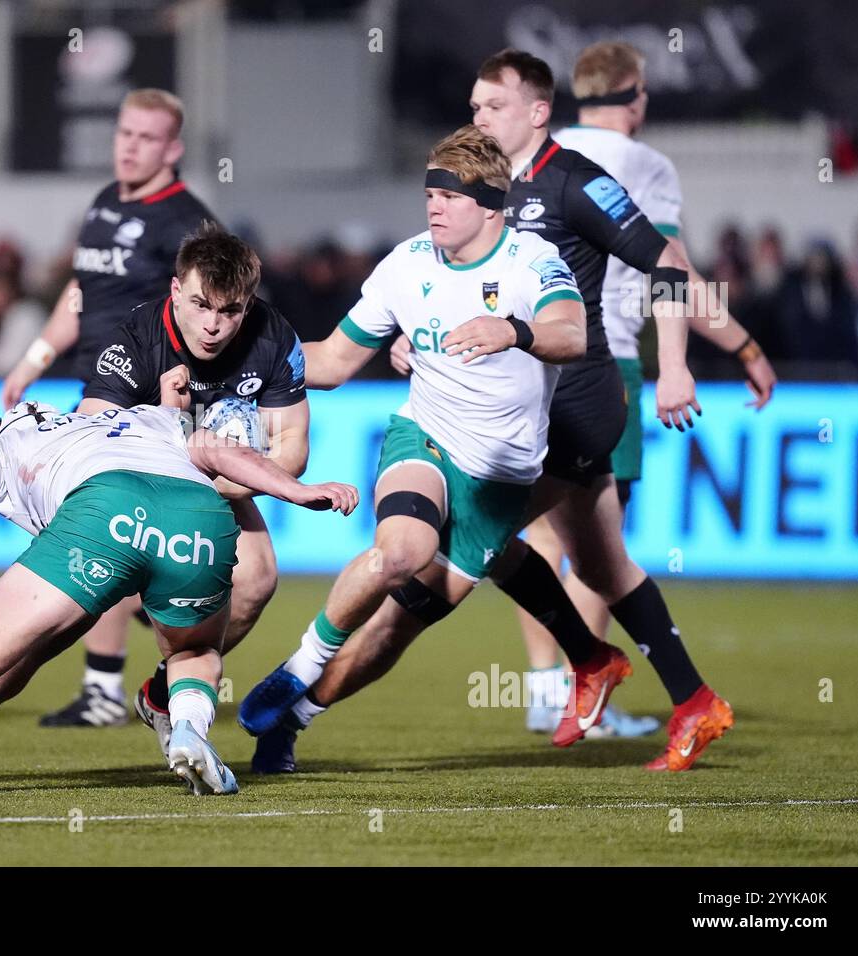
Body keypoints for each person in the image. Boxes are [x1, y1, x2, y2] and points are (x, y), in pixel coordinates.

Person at [244, 50, 734, 774]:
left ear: (537, 110)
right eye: (473, 106)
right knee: (566, 563)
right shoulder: (422, 248)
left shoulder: (565, 195)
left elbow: (658, 266)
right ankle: (641, 680)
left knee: (430, 596)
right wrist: (250, 364)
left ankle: (597, 663)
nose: (477, 116)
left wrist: (682, 362)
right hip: (450, 425)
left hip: (575, 404)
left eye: (490, 105)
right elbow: (335, 358)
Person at [234, 125, 612, 773]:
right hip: (425, 435)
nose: (433, 204)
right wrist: (247, 353)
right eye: (429, 191)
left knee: (389, 633)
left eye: (451, 194)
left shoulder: (531, 261)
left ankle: (295, 718)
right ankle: (301, 665)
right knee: (399, 554)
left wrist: (512, 331)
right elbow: (330, 360)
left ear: (490, 205)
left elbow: (571, 333)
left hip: (499, 479)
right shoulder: (406, 263)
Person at [0, 387, 358, 800]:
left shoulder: (8, 445)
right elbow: (216, 453)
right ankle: (188, 728)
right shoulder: (142, 418)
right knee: (193, 651)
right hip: (198, 516)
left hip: (104, 513)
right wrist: (297, 490)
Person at [0, 224, 310, 780]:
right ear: (176, 291)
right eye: (201, 305)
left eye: (230, 310)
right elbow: (92, 438)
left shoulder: (275, 337)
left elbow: (291, 451)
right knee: (38, 640)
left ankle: (159, 694)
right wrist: (173, 429)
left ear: (249, 303)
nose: (214, 325)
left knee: (258, 576)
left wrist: (214, 477)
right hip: (115, 489)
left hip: (211, 486)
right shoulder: (136, 337)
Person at [501, 40, 779, 735]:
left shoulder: (541, 154)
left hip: (527, 362)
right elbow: (671, 267)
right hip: (605, 361)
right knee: (601, 544)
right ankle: (587, 693)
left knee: (534, 530)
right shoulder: (646, 165)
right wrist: (734, 346)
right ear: (635, 95)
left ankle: (544, 689)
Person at [0, 88, 223, 725]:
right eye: (124, 132)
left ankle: (139, 682)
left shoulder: (189, 222)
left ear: (173, 149)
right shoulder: (102, 203)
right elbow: (81, 294)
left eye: (146, 137)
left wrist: (180, 390)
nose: (129, 145)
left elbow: (214, 313)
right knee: (100, 532)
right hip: (98, 391)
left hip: (149, 405)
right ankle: (111, 688)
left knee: (124, 538)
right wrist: (33, 358)